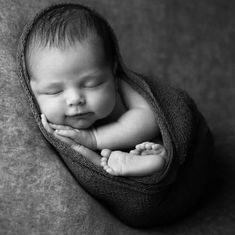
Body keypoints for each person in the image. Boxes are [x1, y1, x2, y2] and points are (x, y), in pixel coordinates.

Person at [26, 4, 167, 177]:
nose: (75, 99)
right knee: (89, 162)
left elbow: (150, 118)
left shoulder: (121, 86)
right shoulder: (55, 127)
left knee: (162, 149)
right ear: (32, 90)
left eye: (91, 84)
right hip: (108, 162)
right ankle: (120, 166)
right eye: (54, 91)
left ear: (112, 74)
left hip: (148, 143)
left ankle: (157, 162)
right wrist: (79, 147)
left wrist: (94, 138)